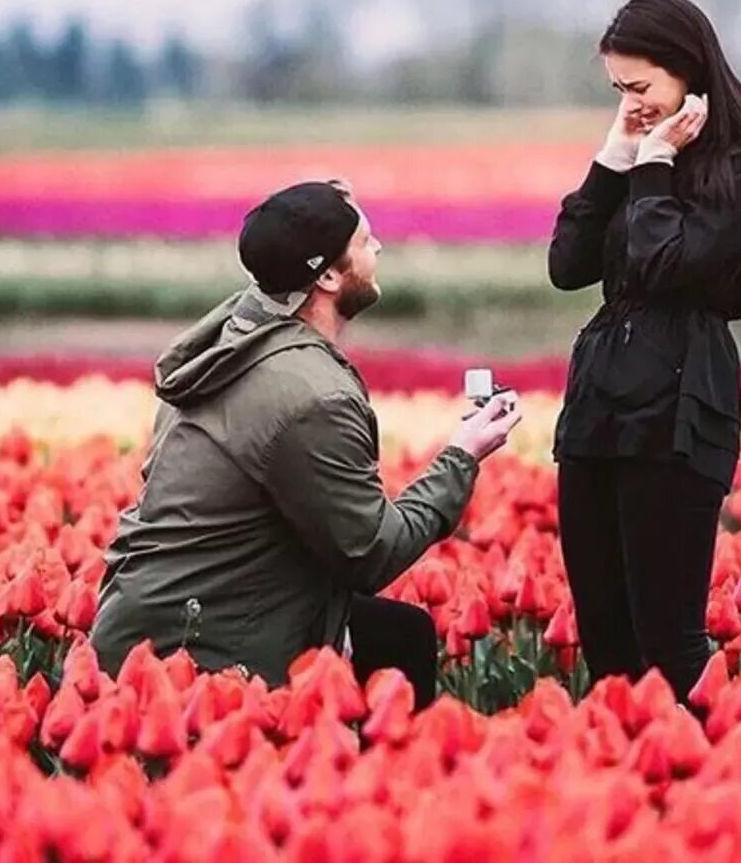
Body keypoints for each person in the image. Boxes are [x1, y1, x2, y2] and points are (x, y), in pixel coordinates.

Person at [91, 179, 520, 707]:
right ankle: (395, 779)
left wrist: (318, 206)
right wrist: (462, 457)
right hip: (201, 646)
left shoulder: (232, 345)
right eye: (365, 241)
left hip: (153, 616)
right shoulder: (312, 398)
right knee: (393, 642)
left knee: (400, 632)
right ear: (329, 276)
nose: (379, 248)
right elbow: (370, 553)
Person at [548, 0, 741, 706]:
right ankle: (629, 796)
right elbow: (568, 266)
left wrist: (655, 163)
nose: (630, 102)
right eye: (617, 89)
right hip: (600, 397)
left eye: (640, 86)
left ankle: (708, 788)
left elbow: (666, 265)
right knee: (606, 635)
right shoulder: (636, 145)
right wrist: (614, 156)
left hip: (682, 400)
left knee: (666, 637)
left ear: (687, 68)